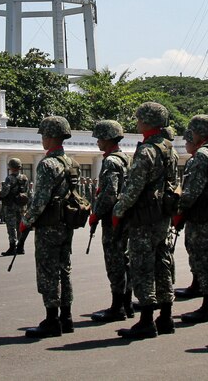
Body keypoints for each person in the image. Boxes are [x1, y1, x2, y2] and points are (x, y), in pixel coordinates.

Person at [112, 102, 180, 339]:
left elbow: (133, 187)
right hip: (162, 215)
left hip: (144, 217)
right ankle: (166, 316)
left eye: (140, 119)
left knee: (142, 266)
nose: (137, 122)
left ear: (147, 122)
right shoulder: (169, 148)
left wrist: (118, 211)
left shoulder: (147, 150)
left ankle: (146, 320)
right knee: (163, 263)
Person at [21, 116, 84, 339]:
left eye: (43, 136)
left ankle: (51, 320)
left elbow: (40, 200)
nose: (42, 140)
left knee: (48, 272)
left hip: (49, 225)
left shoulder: (48, 164)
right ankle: (66, 318)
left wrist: (26, 221)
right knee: (64, 270)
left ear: (50, 136)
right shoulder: (72, 163)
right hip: (66, 223)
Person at [174, 114, 208, 324]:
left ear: (199, 132)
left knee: (204, 259)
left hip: (201, 214)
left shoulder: (203, 155)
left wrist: (177, 212)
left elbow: (191, 192)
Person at [89, 120, 133, 323]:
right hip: (125, 217)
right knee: (125, 260)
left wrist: (96, 213)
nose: (98, 142)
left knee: (115, 263)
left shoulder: (111, 162)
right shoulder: (126, 159)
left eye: (100, 138)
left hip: (113, 220)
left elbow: (109, 193)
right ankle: (127, 304)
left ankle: (117, 307)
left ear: (107, 138)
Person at [0, 158, 30, 255]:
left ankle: (12, 247)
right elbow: (27, 191)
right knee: (20, 226)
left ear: (11, 167)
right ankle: (21, 247)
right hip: (21, 206)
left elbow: (5, 191)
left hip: (11, 206)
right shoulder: (25, 178)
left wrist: (0, 195)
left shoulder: (9, 178)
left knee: (11, 227)